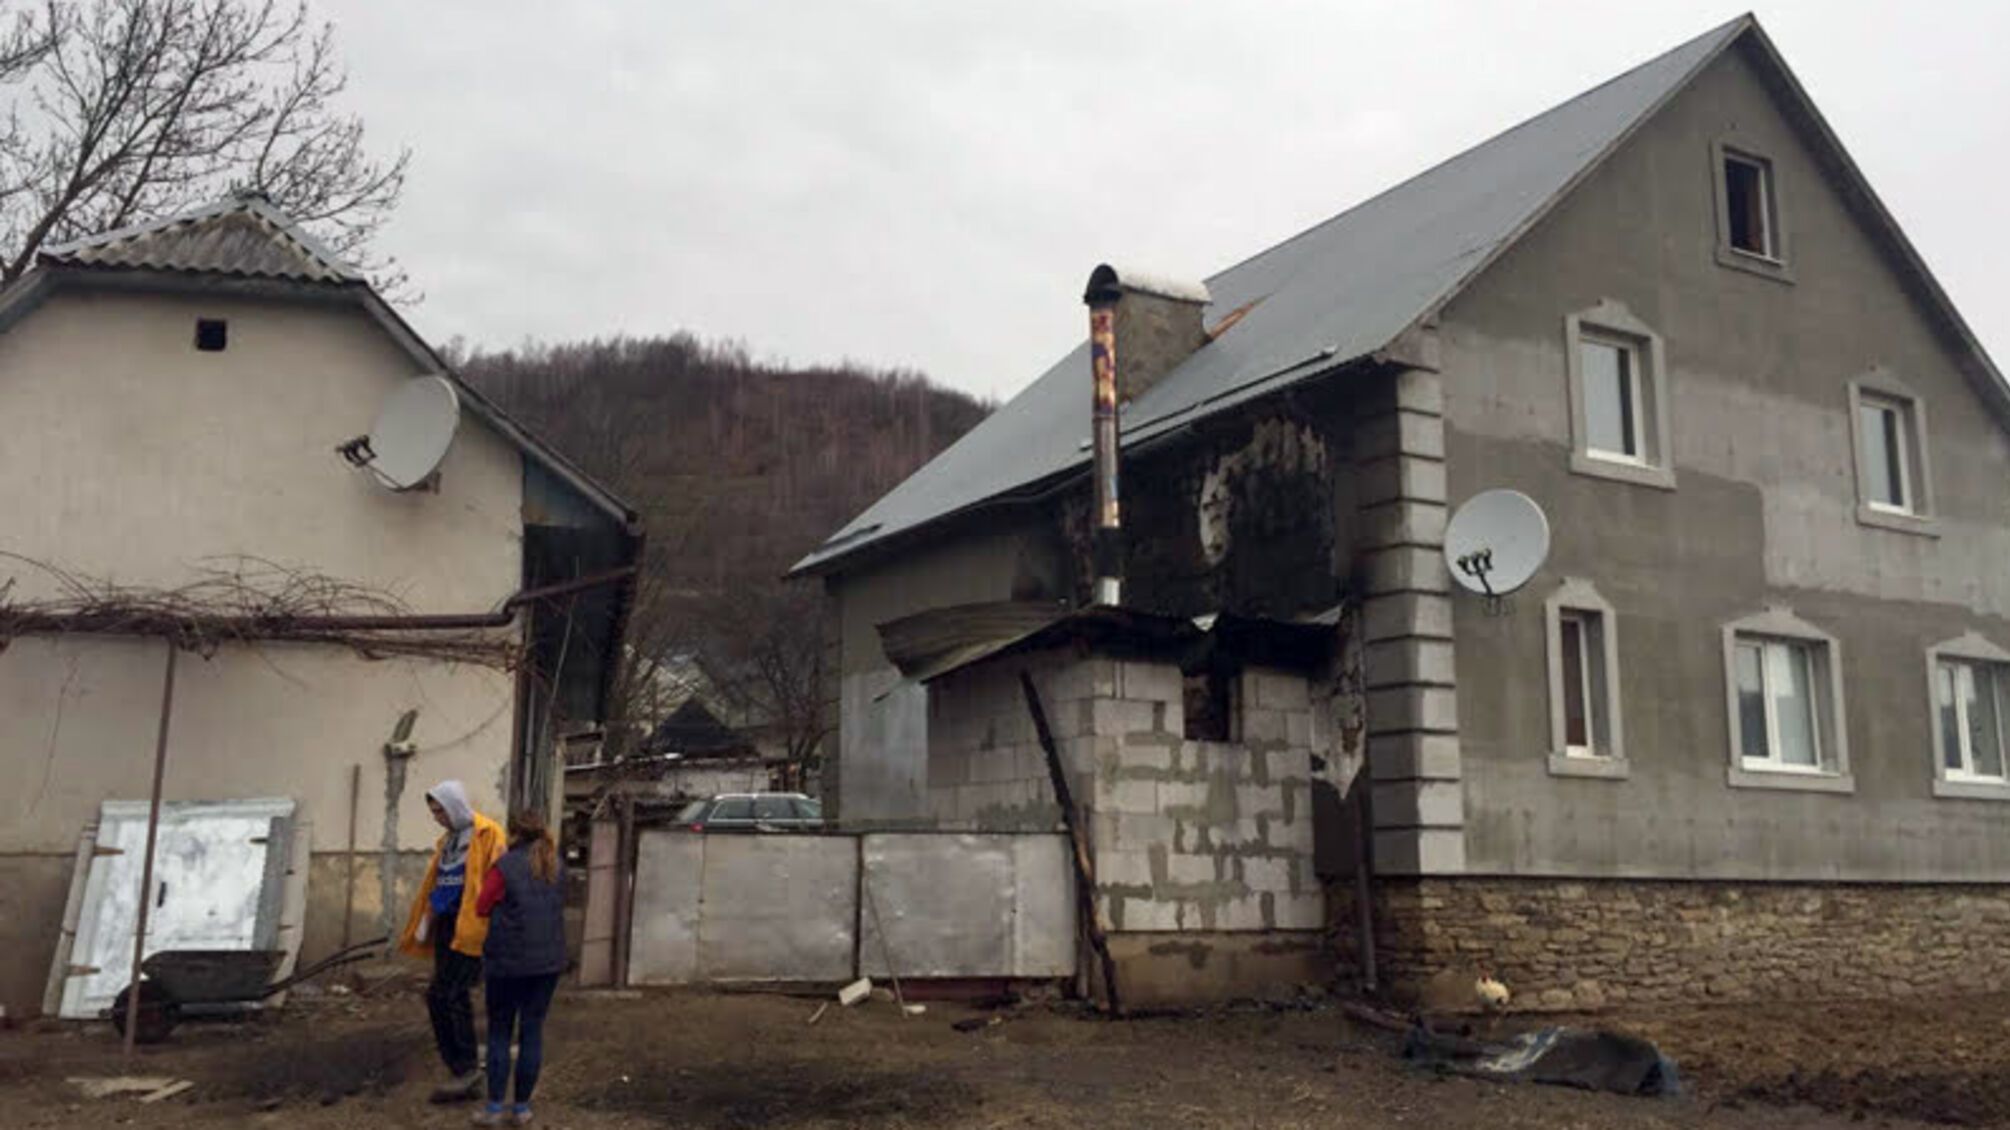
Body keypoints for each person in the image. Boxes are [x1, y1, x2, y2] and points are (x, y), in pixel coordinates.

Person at [399, 780, 506, 1104]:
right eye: (434, 812)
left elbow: (498, 882)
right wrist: (428, 916)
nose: (437, 817)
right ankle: (459, 1066)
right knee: (437, 995)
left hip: (472, 926)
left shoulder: (487, 834)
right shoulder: (447, 842)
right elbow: (442, 882)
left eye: (440, 811)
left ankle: (468, 1069)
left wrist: (495, 927)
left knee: (453, 993)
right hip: (447, 926)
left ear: (455, 806)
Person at [471, 808, 568, 1127]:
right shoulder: (556, 864)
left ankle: (494, 1109)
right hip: (548, 963)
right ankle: (522, 1108)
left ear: (513, 833)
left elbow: (482, 906)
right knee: (532, 1031)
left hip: (507, 962)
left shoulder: (505, 866)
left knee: (500, 1031)